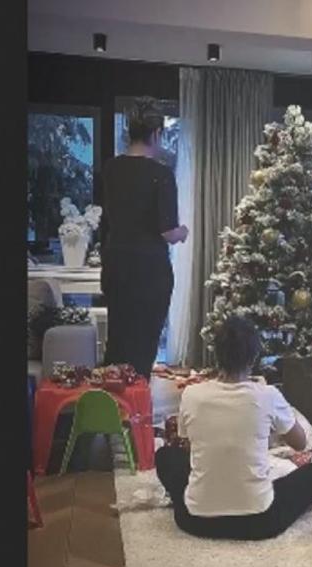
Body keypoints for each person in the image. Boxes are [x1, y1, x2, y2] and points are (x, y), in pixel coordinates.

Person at [155, 316, 312, 540]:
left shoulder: (192, 394)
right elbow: (300, 443)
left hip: (195, 520)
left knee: (165, 455)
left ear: (216, 354)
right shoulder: (268, 395)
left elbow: (191, 446)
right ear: (254, 357)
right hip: (259, 522)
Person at [100, 97, 188, 379]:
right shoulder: (161, 174)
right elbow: (168, 232)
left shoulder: (111, 169)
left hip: (116, 264)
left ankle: (111, 399)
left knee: (118, 339)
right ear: (157, 133)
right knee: (143, 344)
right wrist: (183, 232)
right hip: (149, 270)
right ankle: (137, 399)